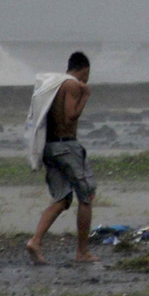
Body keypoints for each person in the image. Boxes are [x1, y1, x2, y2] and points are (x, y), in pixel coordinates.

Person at [25, 51, 97, 265]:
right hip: (67, 146)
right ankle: (82, 252)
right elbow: (70, 115)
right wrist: (85, 96)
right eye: (87, 75)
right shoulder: (73, 86)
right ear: (84, 70)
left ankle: (35, 241)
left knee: (63, 199)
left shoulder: (54, 84)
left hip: (49, 147)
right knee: (86, 196)